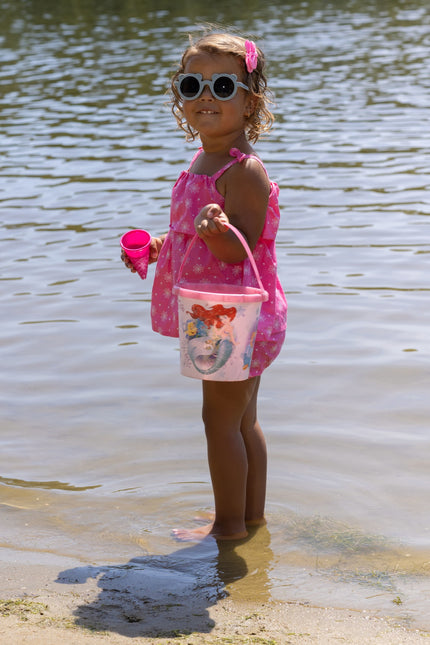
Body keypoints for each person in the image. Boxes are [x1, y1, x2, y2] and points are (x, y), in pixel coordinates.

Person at [122, 32, 287, 541]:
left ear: (250, 99)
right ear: (179, 97)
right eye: (192, 85)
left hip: (232, 313)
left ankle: (229, 527)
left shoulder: (244, 171)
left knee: (220, 422)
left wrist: (218, 236)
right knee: (240, 420)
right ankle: (249, 518)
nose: (205, 97)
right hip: (218, 311)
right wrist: (158, 245)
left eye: (221, 85)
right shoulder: (202, 161)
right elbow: (192, 233)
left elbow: (243, 248)